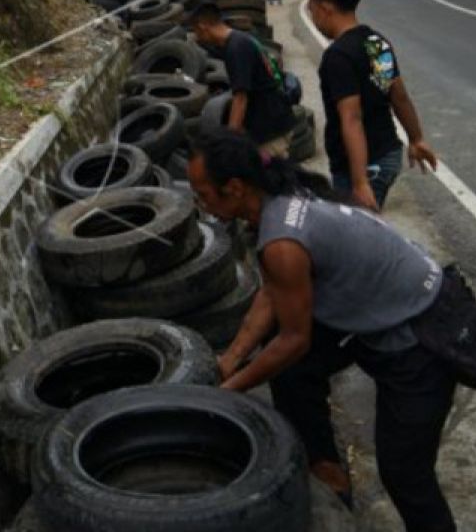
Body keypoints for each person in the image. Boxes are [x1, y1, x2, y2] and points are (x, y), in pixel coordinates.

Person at [187, 127, 458, 532]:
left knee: (406, 475)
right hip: (381, 309)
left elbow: (295, 340)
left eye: (204, 194)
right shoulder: (282, 195)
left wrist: (229, 392)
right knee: (292, 371)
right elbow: (272, 295)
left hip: (422, 336)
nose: (199, 204)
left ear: (235, 188)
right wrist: (232, 357)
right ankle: (327, 471)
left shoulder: (282, 240)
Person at [310, 0, 438, 211]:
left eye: (312, 9)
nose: (312, 17)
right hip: (388, 152)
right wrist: (416, 138)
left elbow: (352, 117)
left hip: (365, 166)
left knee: (355, 234)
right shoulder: (375, 42)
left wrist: (359, 182)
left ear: (325, 8)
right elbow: (398, 96)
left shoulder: (338, 56)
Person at [187, 0, 294, 157]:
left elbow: (240, 99)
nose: (198, 36)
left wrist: (230, 140)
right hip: (272, 120)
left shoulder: (236, 49)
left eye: (196, 31)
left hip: (271, 131)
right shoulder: (240, 39)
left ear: (203, 27)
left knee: (270, 178)